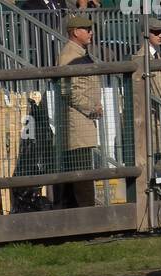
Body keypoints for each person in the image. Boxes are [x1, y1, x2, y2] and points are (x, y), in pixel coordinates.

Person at [57, 15, 102, 209]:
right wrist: (92, 107)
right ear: (75, 32)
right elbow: (68, 91)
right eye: (87, 29)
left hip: (81, 122)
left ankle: (72, 220)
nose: (91, 32)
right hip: (77, 123)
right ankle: (88, 219)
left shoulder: (80, 52)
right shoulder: (70, 55)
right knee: (82, 176)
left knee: (76, 175)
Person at [131, 16, 161, 178]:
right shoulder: (144, 58)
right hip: (153, 126)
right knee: (155, 175)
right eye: (155, 32)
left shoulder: (156, 56)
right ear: (145, 34)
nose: (160, 36)